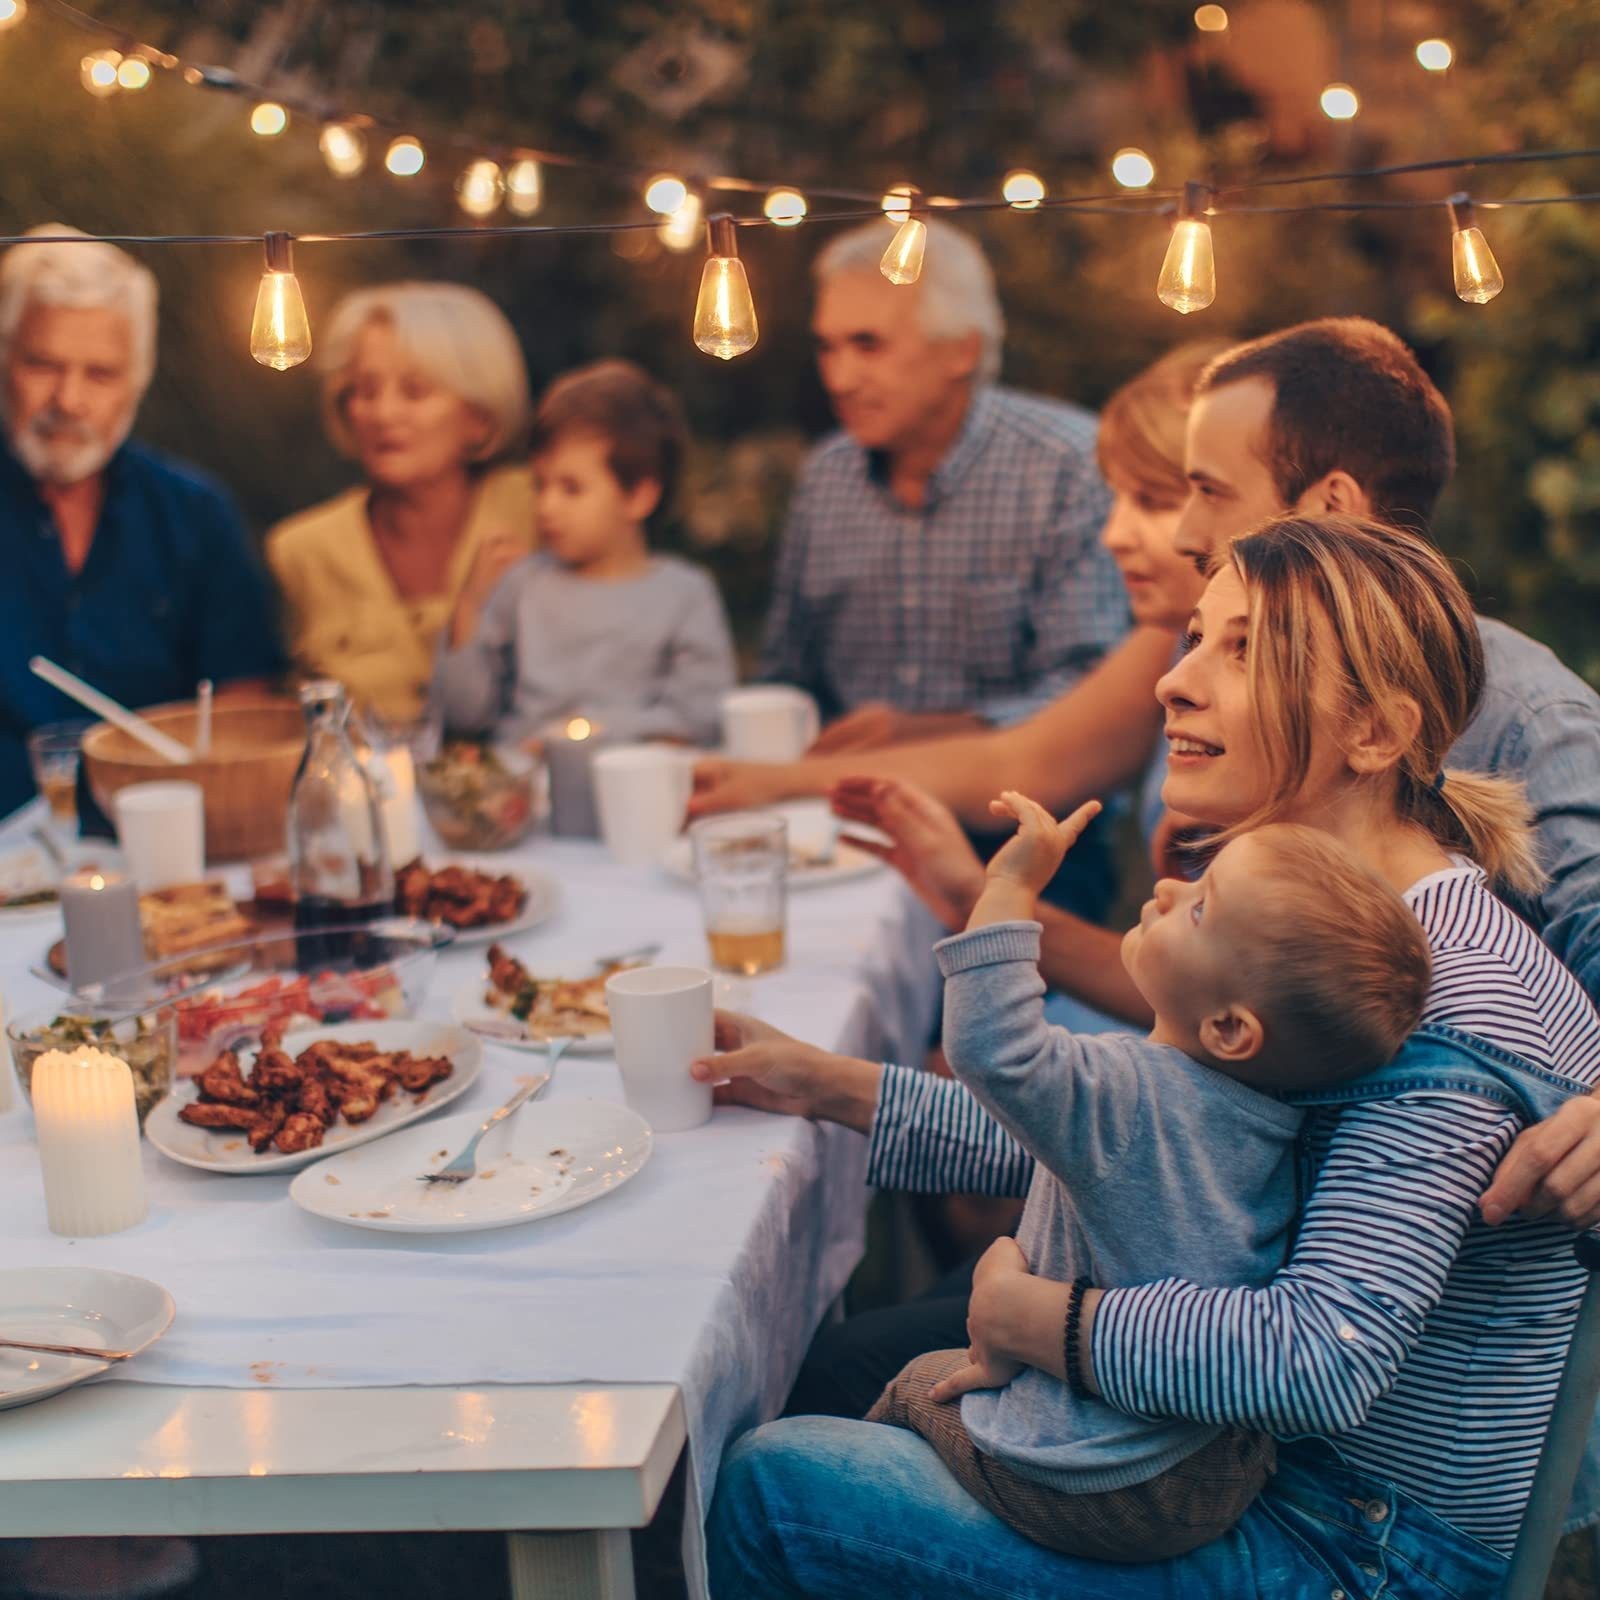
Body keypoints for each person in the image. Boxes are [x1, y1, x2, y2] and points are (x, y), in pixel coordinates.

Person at [703, 514, 1600, 1595]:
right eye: (1195, 637)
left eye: (1244, 651)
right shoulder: (1321, 925)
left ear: (1372, 731)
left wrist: (1045, 1323)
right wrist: (826, 1085)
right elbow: (1138, 1138)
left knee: (776, 1487)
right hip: (1235, 1467)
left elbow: (1321, 1359)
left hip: (1355, 1544)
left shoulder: (1440, 1006)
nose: (1174, 681)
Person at [868, 794, 1431, 1562]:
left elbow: (994, 1049)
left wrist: (1006, 889)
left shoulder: (1127, 1093)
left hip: (1098, 1477)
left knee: (912, 1388)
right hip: (1213, 1464)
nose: (1166, 888)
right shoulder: (1277, 1119)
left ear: (1229, 1027)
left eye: (1200, 907)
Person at [756, 217, 1129, 917]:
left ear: (962, 350)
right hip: (844, 833)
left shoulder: (1067, 466)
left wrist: (929, 728)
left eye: (868, 344)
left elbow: (1095, 692)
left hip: (1028, 841)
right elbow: (787, 674)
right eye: (828, 346)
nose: (838, 377)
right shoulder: (826, 477)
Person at [0, 224, 282, 815]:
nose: (68, 400)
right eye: (42, 364)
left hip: (162, 838)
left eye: (100, 373)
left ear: (138, 380)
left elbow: (242, 702)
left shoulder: (195, 513)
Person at [266, 281, 536, 723]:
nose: (383, 414)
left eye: (415, 391)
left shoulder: (540, 509)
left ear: (479, 417)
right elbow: (285, 719)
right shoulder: (300, 552)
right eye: (365, 391)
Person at [433, 359, 735, 745]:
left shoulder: (683, 595)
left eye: (571, 488)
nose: (546, 506)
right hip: (524, 777)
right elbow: (465, 714)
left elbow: (700, 717)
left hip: (632, 774)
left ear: (639, 496)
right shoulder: (523, 584)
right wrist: (469, 609)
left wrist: (581, 735)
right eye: (540, 485)